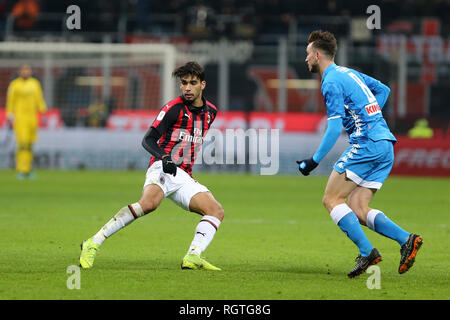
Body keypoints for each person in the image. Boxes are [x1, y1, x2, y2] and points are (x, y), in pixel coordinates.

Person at [297, 30, 423, 278]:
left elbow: (334, 128)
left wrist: (314, 161)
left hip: (366, 143)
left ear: (318, 54)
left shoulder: (330, 80)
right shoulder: (349, 72)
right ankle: (407, 240)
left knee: (331, 199)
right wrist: (366, 113)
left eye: (308, 54)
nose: (306, 59)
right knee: (357, 206)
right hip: (385, 144)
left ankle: (367, 252)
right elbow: (384, 90)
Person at [80, 61, 225, 271]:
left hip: (183, 175)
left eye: (192, 83)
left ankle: (193, 256)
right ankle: (93, 242)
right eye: (183, 83)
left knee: (215, 210)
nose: (187, 88)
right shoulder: (173, 109)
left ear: (203, 85)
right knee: (148, 204)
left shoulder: (211, 112)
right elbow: (148, 139)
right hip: (162, 167)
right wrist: (164, 157)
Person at [6, 64, 47, 179]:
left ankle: (28, 169)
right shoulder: (14, 85)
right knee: (22, 144)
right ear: (20, 72)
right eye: (23, 70)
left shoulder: (35, 84)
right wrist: (9, 113)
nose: (25, 72)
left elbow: (39, 99)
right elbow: (10, 100)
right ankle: (21, 169)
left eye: (27, 70)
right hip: (20, 118)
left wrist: (43, 111)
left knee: (30, 144)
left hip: (32, 118)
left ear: (30, 71)